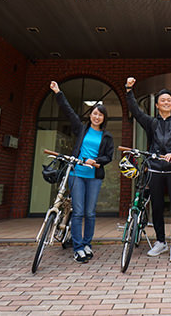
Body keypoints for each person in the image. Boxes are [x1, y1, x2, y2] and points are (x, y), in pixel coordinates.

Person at [125, 77, 171, 263]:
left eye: (169, 100)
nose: (166, 102)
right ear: (157, 105)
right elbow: (136, 112)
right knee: (158, 207)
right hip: (155, 170)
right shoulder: (152, 123)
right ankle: (161, 242)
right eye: (163, 100)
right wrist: (129, 90)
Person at [50, 80, 114, 264]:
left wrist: (97, 161)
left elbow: (108, 156)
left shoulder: (106, 136)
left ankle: (87, 244)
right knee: (78, 212)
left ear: (104, 118)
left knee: (90, 212)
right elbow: (69, 111)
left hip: (94, 177)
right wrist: (57, 92)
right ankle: (77, 248)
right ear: (90, 115)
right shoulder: (81, 129)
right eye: (94, 113)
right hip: (76, 174)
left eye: (100, 115)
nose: (97, 117)